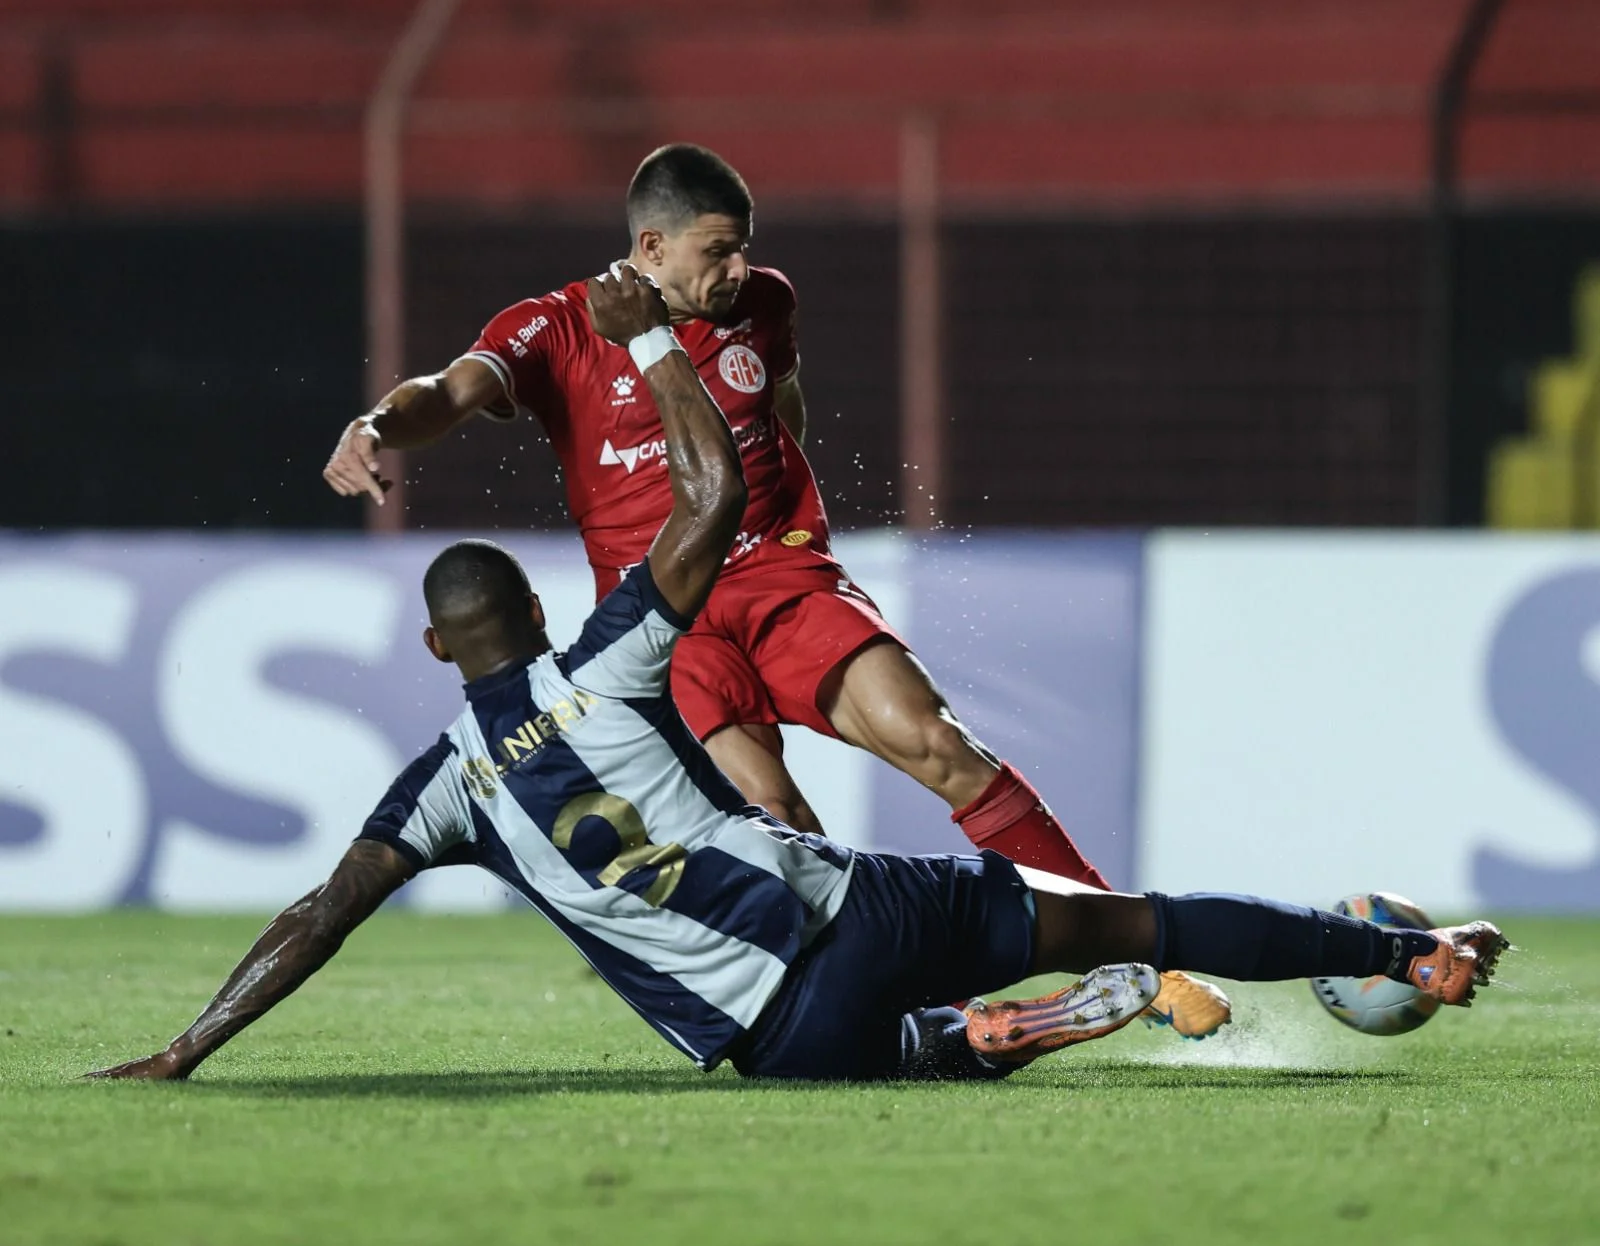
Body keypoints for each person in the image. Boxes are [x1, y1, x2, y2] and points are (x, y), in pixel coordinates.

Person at [96, 266, 1508, 1085]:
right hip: (825, 847)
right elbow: (499, 411)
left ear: (430, 651)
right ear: (541, 599)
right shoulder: (619, 649)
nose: (729, 268)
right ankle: (1393, 953)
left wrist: (189, 1046)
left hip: (774, 1026)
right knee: (1113, 913)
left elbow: (321, 910)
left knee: (862, 917)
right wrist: (645, 349)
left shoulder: (443, 788)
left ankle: (974, 1032)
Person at [322, 142, 1229, 1039]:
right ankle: (940, 1025)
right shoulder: (556, 325)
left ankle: (1134, 964)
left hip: (782, 577)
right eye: (717, 251)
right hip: (666, 628)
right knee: (777, 829)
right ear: (651, 249)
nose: (738, 268)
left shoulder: (766, 303)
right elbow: (446, 392)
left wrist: (785, 499)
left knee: (936, 742)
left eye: (743, 246)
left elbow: (779, 409)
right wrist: (375, 425)